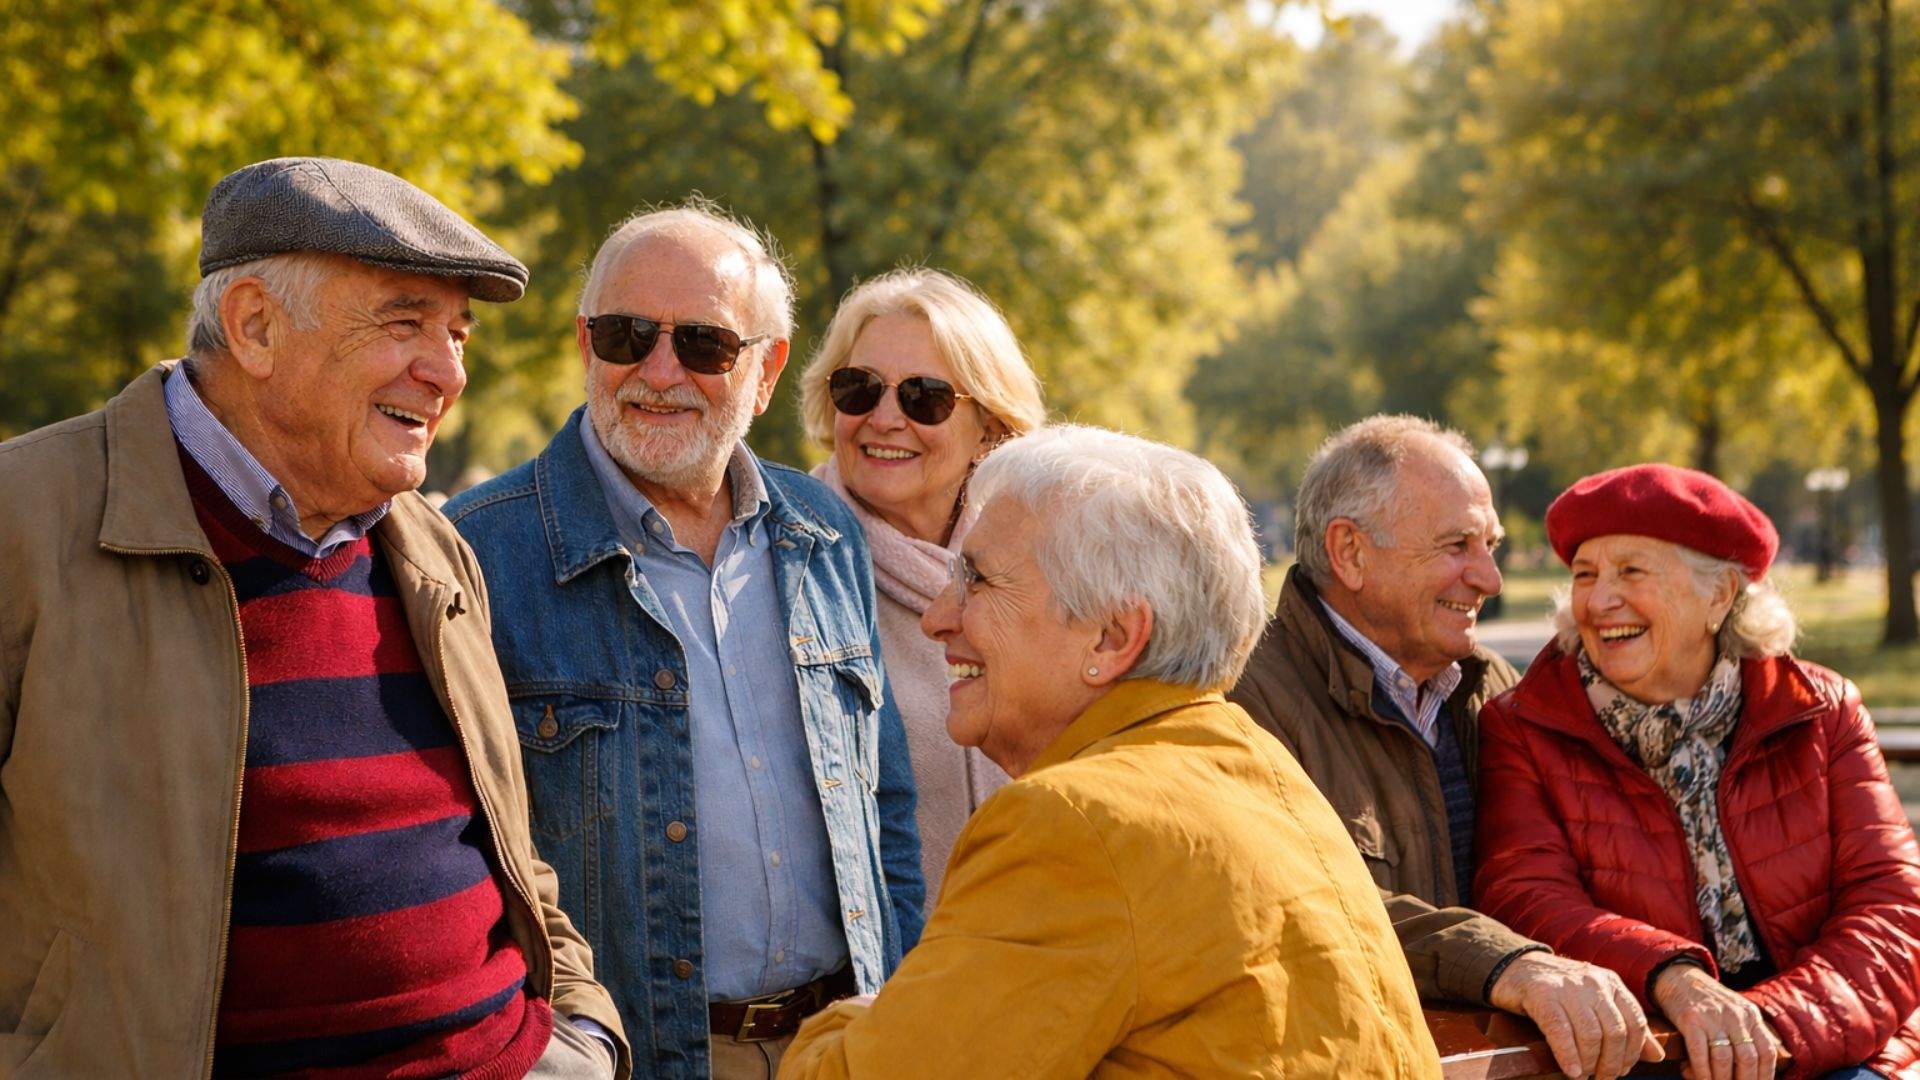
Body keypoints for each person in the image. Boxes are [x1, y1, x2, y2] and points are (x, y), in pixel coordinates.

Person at [0, 157, 626, 1078]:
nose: (447, 371)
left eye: (459, 335)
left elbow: (513, 856)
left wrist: (584, 1031)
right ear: (254, 324)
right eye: (405, 321)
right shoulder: (27, 521)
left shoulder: (431, 548)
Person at [779, 425, 1439, 1078]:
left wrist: (858, 1018)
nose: (937, 617)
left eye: (977, 581)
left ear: (1112, 639)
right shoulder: (1259, 769)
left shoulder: (1071, 823)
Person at [445, 201, 925, 1079]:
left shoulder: (824, 532)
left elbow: (884, 808)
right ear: (586, 345)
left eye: (704, 344)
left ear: (767, 370)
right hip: (636, 1055)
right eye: (627, 335)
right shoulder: (478, 552)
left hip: (850, 1045)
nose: (659, 371)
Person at [1230, 415, 1661, 1080]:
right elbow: (1307, 907)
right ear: (1349, 553)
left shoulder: (1497, 688)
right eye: (1458, 545)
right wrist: (1505, 963)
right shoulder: (1243, 702)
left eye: (1489, 544)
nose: (1489, 578)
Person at [1476, 463, 1920, 1080]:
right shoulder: (1524, 724)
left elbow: (1893, 908)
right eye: (1585, 574)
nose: (1600, 600)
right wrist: (1671, 977)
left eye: (1631, 571)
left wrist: (1770, 1025)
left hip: (1825, 1043)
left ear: (1720, 594)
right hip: (1648, 1056)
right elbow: (1525, 898)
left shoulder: (1822, 709)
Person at [797, 268, 1046, 894]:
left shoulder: (1047, 568)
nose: (883, 418)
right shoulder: (783, 565)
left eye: (924, 397)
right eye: (859, 389)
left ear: (989, 425)